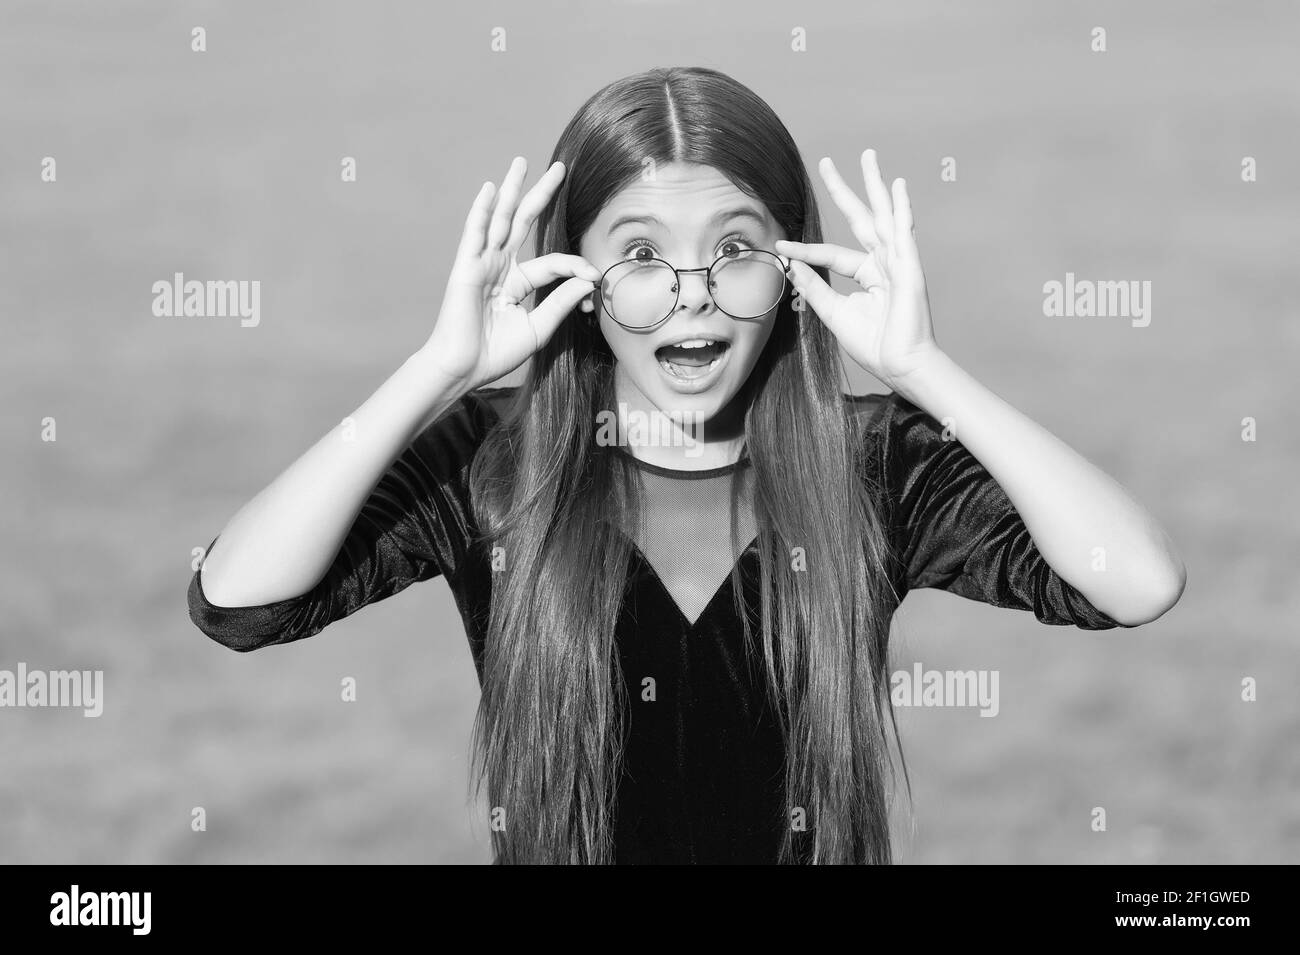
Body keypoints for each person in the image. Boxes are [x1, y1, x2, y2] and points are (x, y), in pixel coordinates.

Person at [187, 66, 1186, 865]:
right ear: (575, 278)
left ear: (795, 269)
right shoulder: (498, 460)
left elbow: (1135, 581)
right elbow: (238, 598)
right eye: (638, 256)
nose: (691, 295)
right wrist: (434, 372)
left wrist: (924, 370)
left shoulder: (871, 462)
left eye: (736, 249)